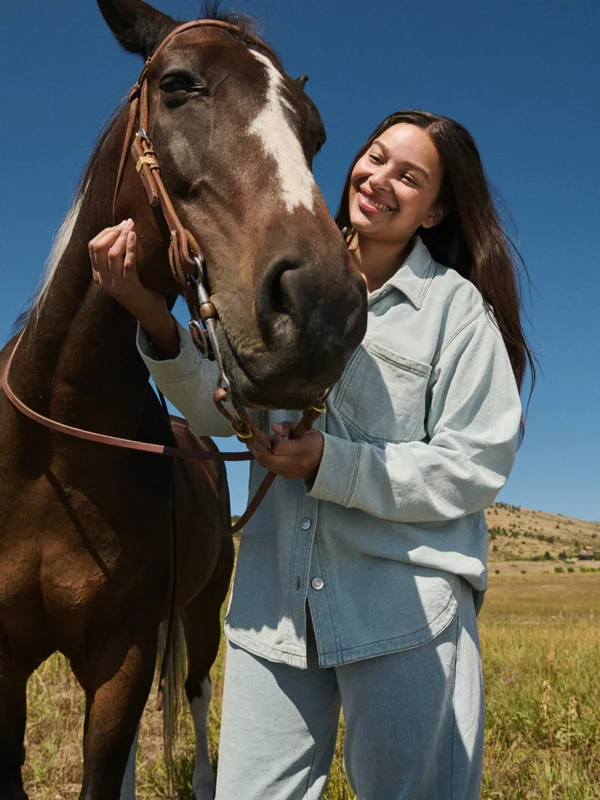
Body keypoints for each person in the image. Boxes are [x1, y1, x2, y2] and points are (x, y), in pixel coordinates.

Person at [89, 110, 533, 800]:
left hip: (405, 611)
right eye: (376, 157)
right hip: (275, 609)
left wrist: (333, 465)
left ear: (435, 211)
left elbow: (475, 464)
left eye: (409, 177)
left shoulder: (455, 311)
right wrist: (148, 310)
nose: (379, 179)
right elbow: (218, 409)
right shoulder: (276, 280)